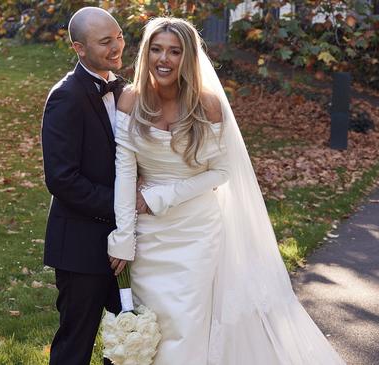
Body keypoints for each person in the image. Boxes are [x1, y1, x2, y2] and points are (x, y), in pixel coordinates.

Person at [107, 17, 346, 364]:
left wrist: (160, 195)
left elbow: (220, 172)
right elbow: (124, 173)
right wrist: (123, 237)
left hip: (196, 229)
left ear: (187, 58)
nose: (164, 59)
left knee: (187, 320)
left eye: (174, 51)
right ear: (146, 54)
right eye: (156, 49)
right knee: (155, 321)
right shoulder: (130, 100)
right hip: (148, 234)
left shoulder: (207, 105)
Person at [40, 7, 127, 365]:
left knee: (129, 340)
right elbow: (62, 178)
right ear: (79, 48)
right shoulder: (66, 96)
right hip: (81, 247)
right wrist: (123, 205)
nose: (117, 46)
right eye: (105, 41)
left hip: (128, 243)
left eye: (119, 36)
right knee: (75, 346)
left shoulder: (124, 89)